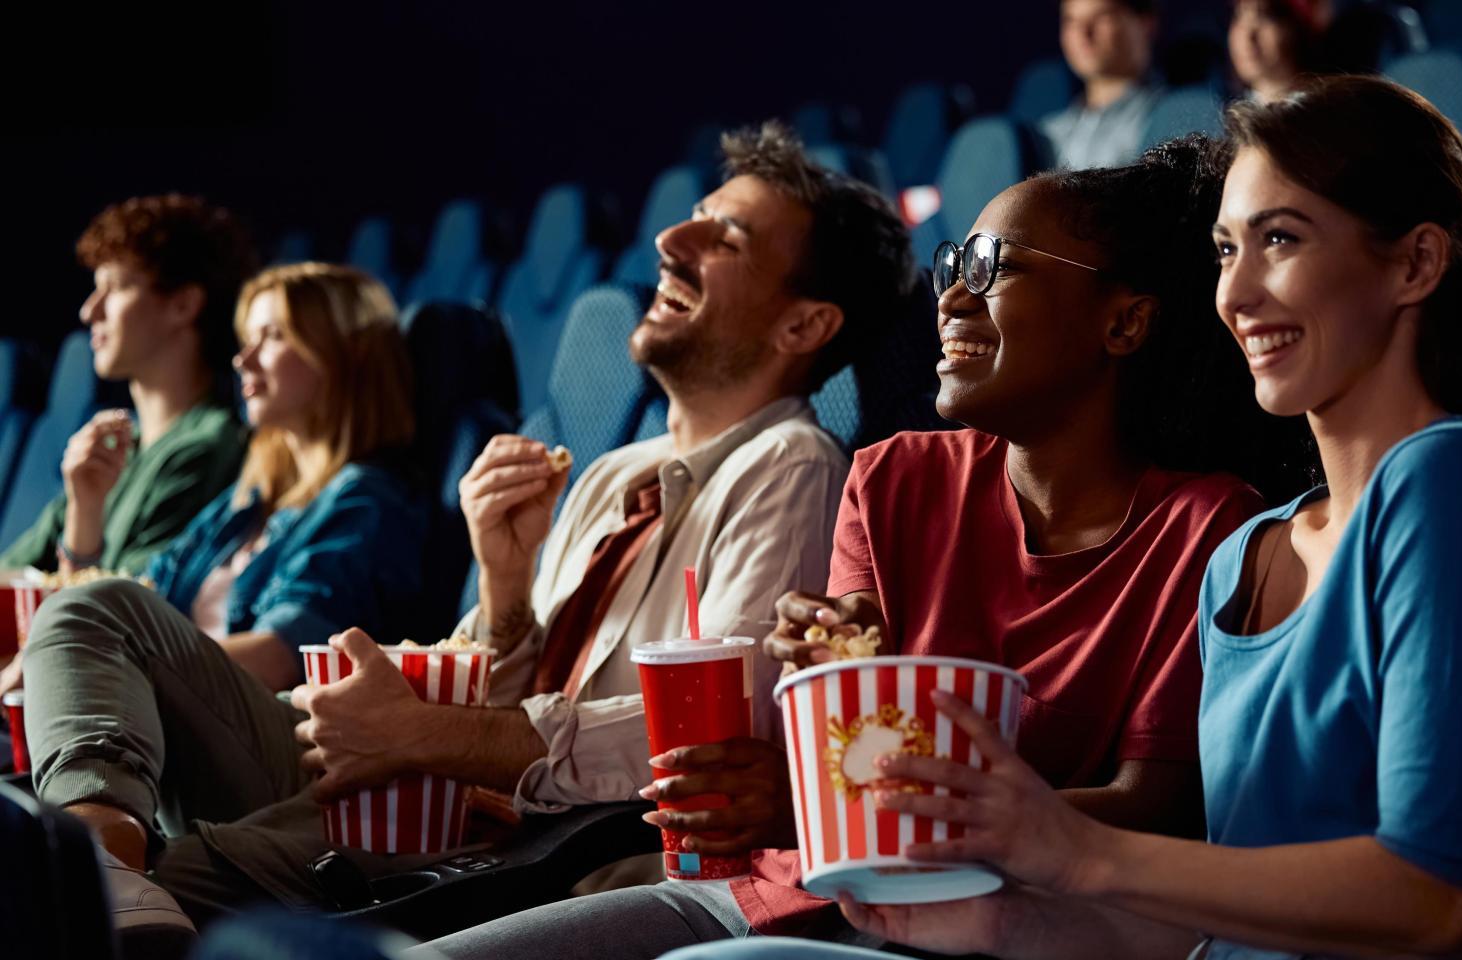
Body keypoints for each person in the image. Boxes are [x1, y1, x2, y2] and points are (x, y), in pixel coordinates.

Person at [675, 75, 1462, 960]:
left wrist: (1072, 848)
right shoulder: (1247, 554)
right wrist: (1001, 925)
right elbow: (1227, 914)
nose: (1239, 293)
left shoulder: (1443, 486)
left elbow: (1437, 903)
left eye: (1281, 239)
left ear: (1416, 263)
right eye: (1226, 251)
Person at [419, 134, 1315, 960]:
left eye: (993, 265)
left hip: (991, 923)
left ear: (1124, 323)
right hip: (778, 891)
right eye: (950, 263)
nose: (955, 293)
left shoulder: (1206, 528)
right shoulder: (890, 479)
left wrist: (828, 801)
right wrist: (832, 677)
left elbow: (1145, 810)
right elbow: (853, 719)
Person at [39, 123, 917, 934]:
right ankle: (103, 849)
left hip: (518, 835)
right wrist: (502, 592)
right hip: (435, 786)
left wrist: (421, 734)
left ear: (803, 323)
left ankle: (106, 883)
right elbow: (495, 691)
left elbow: (711, 741)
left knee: (156, 890)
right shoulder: (615, 470)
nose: (669, 244)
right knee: (94, 613)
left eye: (725, 240)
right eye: (691, 221)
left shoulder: (792, 465)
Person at [20, 262, 424, 932]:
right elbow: (138, 604)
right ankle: (88, 846)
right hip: (192, 751)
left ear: (344, 353)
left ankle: (96, 859)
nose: (243, 357)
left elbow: (279, 652)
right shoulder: (245, 505)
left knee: (94, 614)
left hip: (298, 749)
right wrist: (84, 522)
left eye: (273, 337)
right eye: (246, 337)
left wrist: (89, 649)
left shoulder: (367, 499)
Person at [0, 194, 253, 578]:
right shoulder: (119, 447)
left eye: (115, 287)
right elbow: (12, 572)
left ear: (183, 305)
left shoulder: (211, 446)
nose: (90, 311)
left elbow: (126, 612)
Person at [1041, 0, 1162, 169]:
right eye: (1071, 21)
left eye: (1103, 17)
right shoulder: (1048, 133)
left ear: (1146, 23)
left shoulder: (1172, 122)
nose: (1083, 34)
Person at [1227, 0, 1330, 103]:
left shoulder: (1326, 109)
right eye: (1238, 16)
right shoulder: (1226, 113)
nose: (1247, 36)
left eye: (1265, 17)